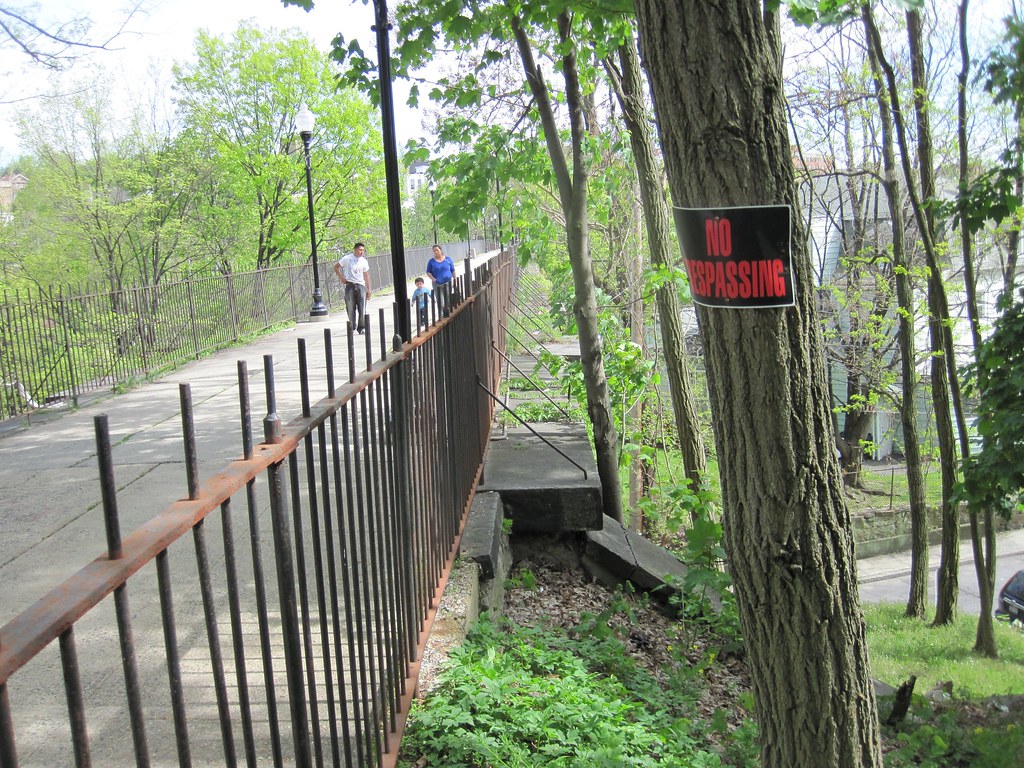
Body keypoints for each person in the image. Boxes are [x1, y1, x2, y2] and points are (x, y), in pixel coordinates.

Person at [334, 242, 371, 333]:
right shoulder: (347, 258)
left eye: (363, 250)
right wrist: (342, 278)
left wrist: (368, 289)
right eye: (360, 250)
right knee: (350, 307)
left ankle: (361, 327)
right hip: (350, 285)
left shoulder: (364, 261)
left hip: (361, 285)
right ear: (355, 250)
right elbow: (336, 267)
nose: (361, 252)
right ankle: (352, 327)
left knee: (362, 308)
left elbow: (366, 275)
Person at [425, 244, 455, 316]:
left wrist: (455, 279)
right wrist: (433, 279)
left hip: (447, 282)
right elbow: (428, 272)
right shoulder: (431, 261)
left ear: (440, 250)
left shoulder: (448, 259)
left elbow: (453, 270)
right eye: (434, 251)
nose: (436, 252)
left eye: (437, 250)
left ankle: (449, 314)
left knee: (448, 299)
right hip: (437, 284)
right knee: (440, 301)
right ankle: (441, 316)